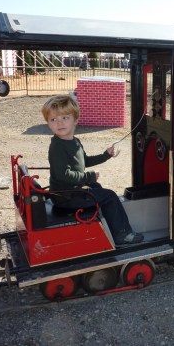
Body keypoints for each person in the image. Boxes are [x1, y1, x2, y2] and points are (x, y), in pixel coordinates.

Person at [41, 95, 143, 245]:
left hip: (72, 191)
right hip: (65, 197)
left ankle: (105, 227)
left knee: (98, 188)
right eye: (53, 119)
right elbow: (63, 175)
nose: (59, 123)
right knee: (109, 196)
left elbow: (85, 161)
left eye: (65, 117)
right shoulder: (57, 146)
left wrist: (105, 155)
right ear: (48, 123)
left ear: (75, 120)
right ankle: (123, 234)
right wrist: (89, 177)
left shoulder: (75, 141)